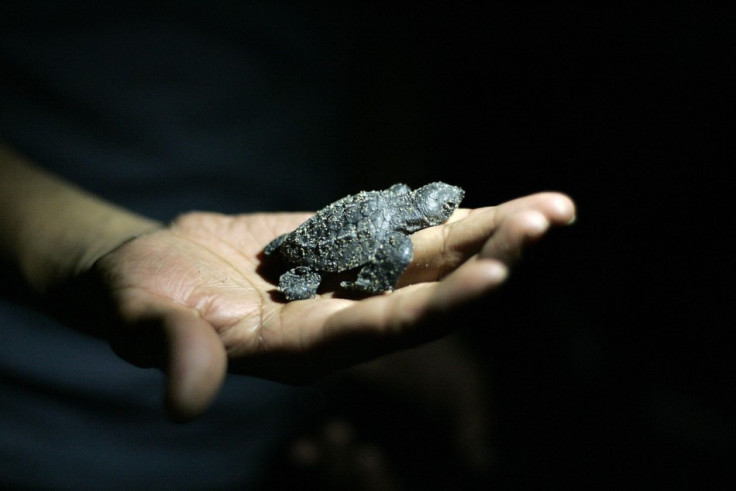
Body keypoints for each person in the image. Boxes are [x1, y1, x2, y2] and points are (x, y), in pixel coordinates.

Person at [1, 2, 575, 488]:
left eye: (442, 201)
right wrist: (88, 242)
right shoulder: (398, 234)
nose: (447, 204)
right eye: (444, 205)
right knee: (336, 272)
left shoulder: (397, 195)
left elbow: (387, 64)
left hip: (262, 428)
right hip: (39, 421)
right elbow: (391, 248)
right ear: (427, 211)